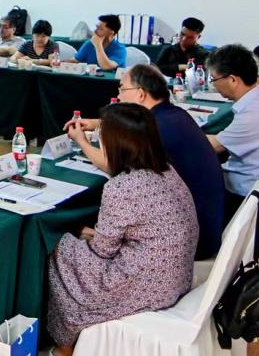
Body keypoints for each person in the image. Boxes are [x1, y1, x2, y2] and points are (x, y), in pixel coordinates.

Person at [46, 103, 198, 356]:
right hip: (176, 275)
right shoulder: (166, 169)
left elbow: (102, 251)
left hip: (147, 285)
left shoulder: (121, 187)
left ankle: (65, 349)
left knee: (63, 250)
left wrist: (86, 236)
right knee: (81, 240)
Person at [65, 64, 224, 260]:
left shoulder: (157, 128)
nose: (119, 96)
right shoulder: (175, 115)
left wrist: (81, 141)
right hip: (201, 227)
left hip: (184, 244)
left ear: (140, 94)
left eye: (122, 89)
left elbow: (111, 164)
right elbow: (135, 124)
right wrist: (98, 123)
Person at [204, 44, 259, 221]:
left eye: (213, 79)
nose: (213, 85)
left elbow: (212, 146)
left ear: (232, 80)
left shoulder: (254, 113)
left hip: (251, 199)